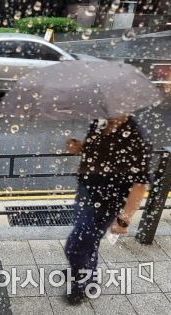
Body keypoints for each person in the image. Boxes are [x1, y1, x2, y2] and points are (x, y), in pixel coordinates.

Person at [64, 114, 152, 304]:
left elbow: (139, 184)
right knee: (89, 239)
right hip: (86, 190)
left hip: (107, 202)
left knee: (74, 245)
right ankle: (83, 268)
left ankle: (83, 280)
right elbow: (94, 150)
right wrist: (79, 147)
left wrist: (123, 219)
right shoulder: (99, 121)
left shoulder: (137, 137)